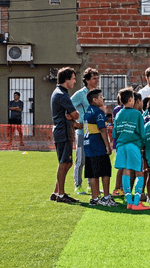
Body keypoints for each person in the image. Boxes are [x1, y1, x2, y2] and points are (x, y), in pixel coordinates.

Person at [113, 88, 150, 210]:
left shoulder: (118, 114)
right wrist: (142, 145)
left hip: (121, 145)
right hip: (133, 145)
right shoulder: (137, 114)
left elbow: (114, 133)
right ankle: (137, 202)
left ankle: (129, 202)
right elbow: (142, 133)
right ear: (130, 100)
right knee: (140, 172)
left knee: (126, 171)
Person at [50, 67, 80, 204]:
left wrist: (71, 119)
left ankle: (56, 192)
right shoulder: (61, 94)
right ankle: (61, 195)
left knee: (67, 162)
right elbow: (75, 114)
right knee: (64, 163)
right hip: (63, 132)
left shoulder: (61, 93)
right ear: (66, 79)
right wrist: (72, 117)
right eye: (73, 78)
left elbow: (71, 116)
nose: (74, 81)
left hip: (64, 131)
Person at [83, 89, 117, 206]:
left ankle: (95, 198)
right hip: (98, 146)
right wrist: (108, 146)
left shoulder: (87, 111)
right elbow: (102, 129)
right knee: (105, 172)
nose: (103, 99)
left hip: (88, 147)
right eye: (101, 97)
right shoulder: (98, 112)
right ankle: (106, 197)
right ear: (95, 100)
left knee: (93, 173)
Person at [70, 67, 99, 195]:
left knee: (92, 159)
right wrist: (75, 123)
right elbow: (68, 107)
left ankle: (90, 185)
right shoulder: (80, 94)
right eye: (94, 78)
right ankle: (78, 185)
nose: (97, 80)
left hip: (95, 132)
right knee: (81, 159)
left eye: (97, 78)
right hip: (82, 133)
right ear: (87, 80)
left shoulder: (97, 94)